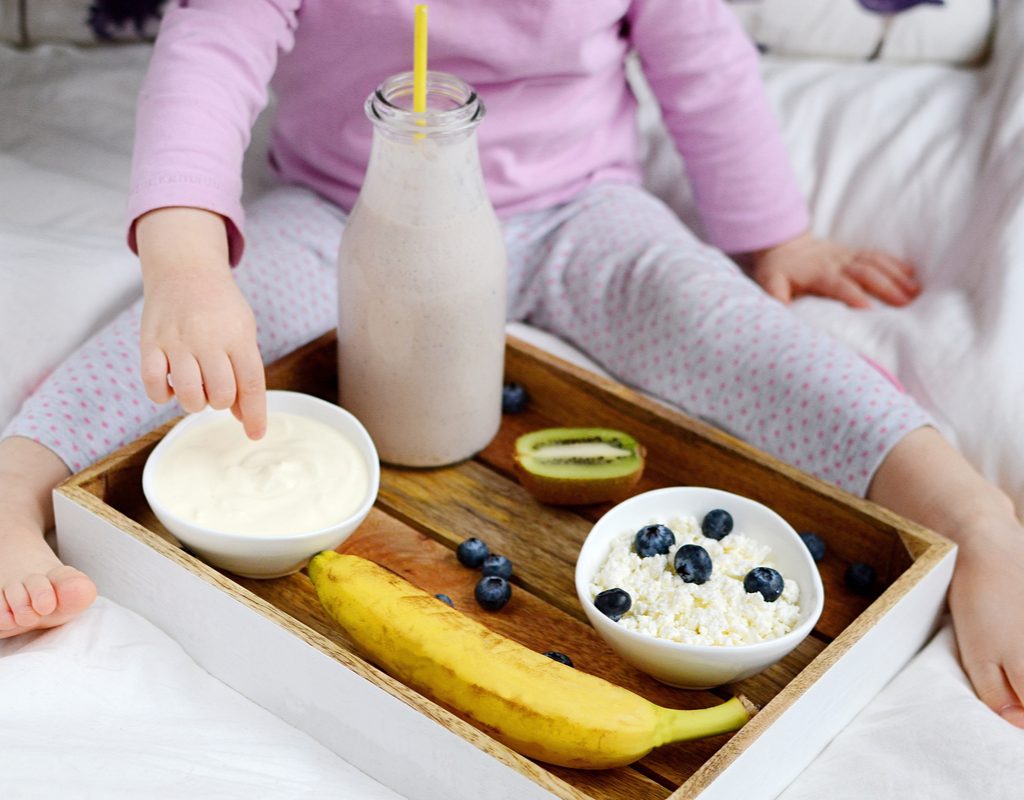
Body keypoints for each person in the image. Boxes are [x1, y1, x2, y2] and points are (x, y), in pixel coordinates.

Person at [1, 0, 1022, 726]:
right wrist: (184, 262)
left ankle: (973, 516)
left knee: (724, 326)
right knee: (209, 325)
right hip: (341, 207)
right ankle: (12, 489)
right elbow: (211, 47)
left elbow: (701, 57)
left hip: (580, 208)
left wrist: (773, 234)